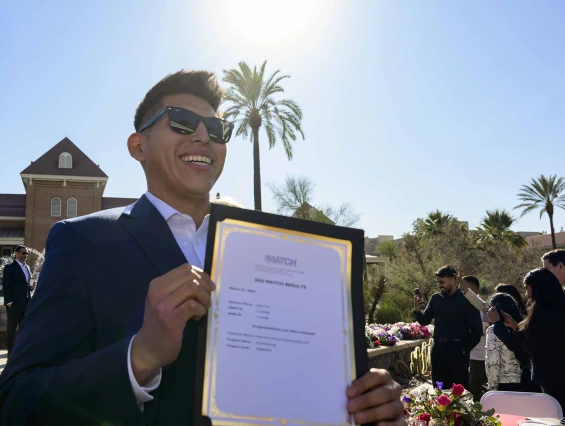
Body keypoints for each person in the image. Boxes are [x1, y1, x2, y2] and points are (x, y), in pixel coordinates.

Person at [0, 70, 405, 426]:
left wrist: (366, 404)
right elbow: (17, 400)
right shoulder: (82, 242)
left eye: (217, 129)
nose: (202, 137)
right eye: (181, 121)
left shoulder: (276, 253)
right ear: (138, 146)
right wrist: (138, 357)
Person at [490, 268, 565, 415]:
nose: (526, 294)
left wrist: (498, 324)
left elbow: (516, 343)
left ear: (536, 288)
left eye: (527, 289)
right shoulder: (561, 308)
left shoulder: (540, 313)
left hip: (550, 378)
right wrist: (515, 325)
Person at [414, 265, 483, 391]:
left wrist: (465, 349)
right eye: (437, 282)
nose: (439, 285)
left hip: (458, 351)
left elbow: (477, 330)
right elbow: (424, 320)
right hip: (438, 350)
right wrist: (417, 310)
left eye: (442, 282)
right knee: (439, 390)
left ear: (452, 280)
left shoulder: (466, 300)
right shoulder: (435, 299)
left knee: (459, 391)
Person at [485, 293, 537, 392]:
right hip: (527, 380)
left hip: (505, 384)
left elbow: (492, 362)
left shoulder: (494, 330)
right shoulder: (523, 327)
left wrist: (492, 388)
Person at [457, 272, 488, 401]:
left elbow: (482, 330)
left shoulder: (483, 308)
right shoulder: (466, 307)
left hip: (479, 356)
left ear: (472, 289)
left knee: (475, 388)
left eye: (462, 287)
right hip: (470, 355)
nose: (460, 290)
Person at [2, 246, 34, 356]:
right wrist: (9, 302)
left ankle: (21, 351)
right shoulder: (9, 267)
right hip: (14, 304)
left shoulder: (27, 268)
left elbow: (26, 285)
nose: (25, 256)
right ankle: (10, 352)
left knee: (24, 328)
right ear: (16, 253)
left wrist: (31, 287)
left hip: (25, 303)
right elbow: (6, 286)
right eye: (23, 253)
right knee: (11, 328)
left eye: (27, 254)